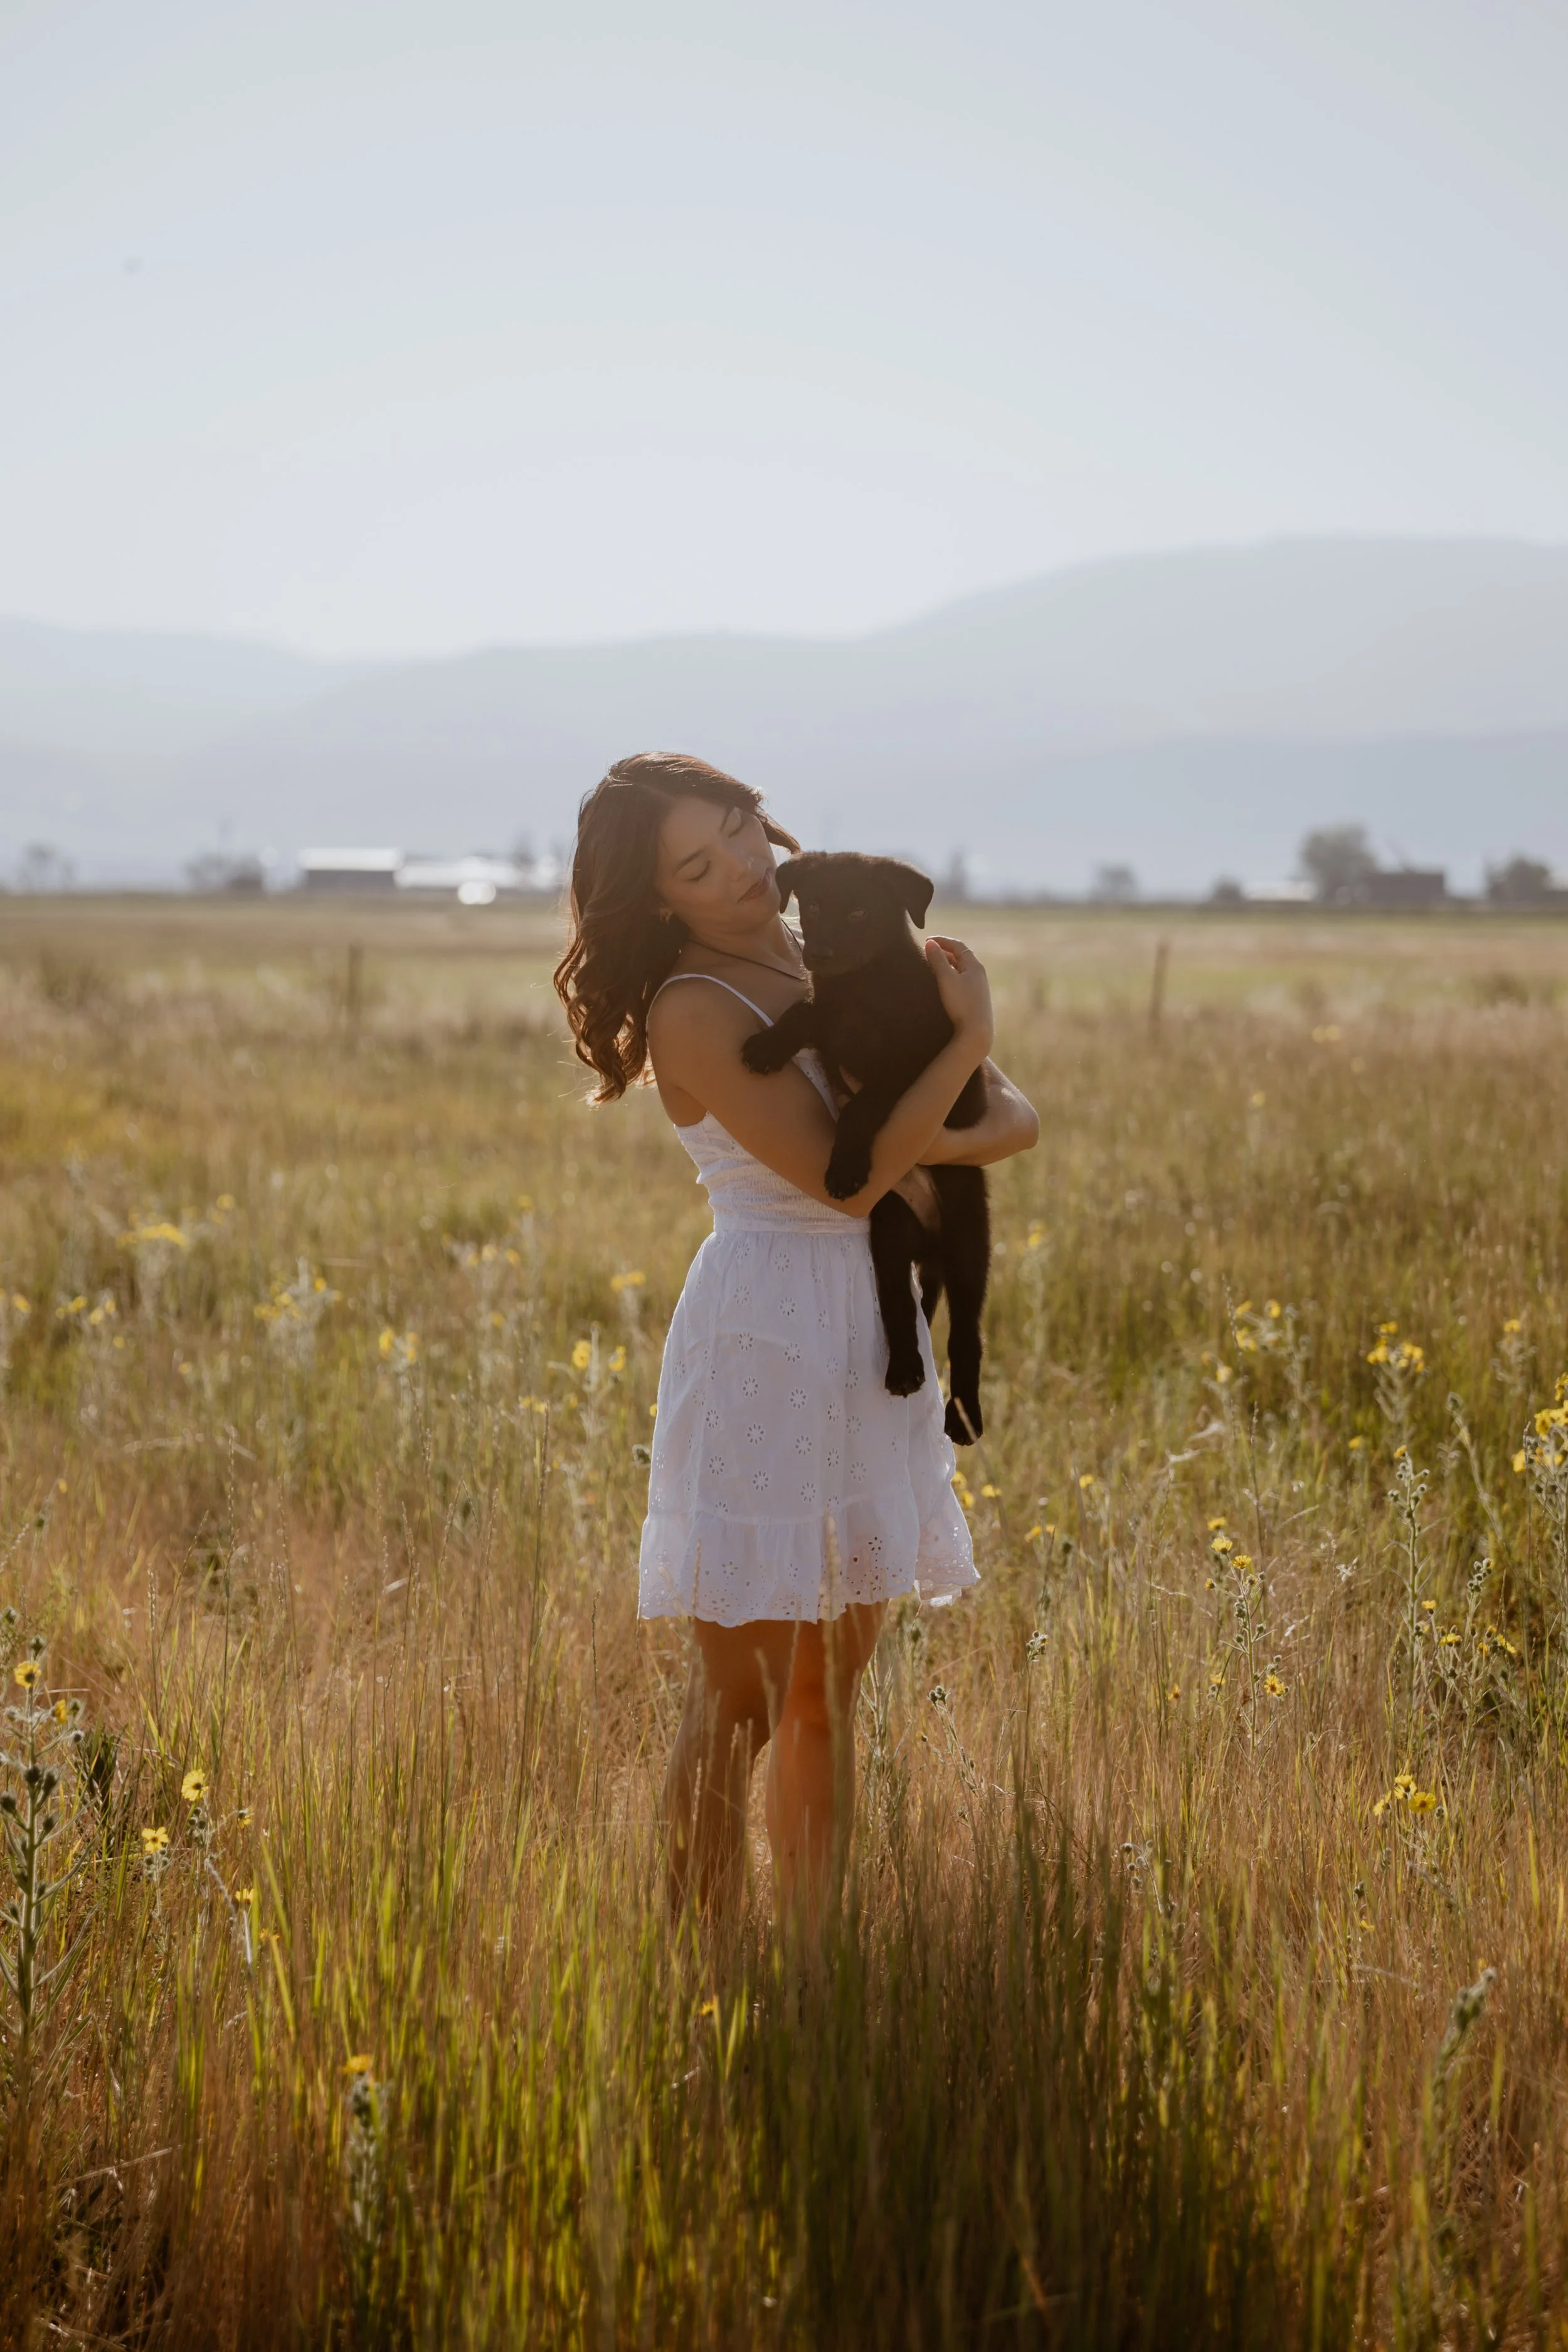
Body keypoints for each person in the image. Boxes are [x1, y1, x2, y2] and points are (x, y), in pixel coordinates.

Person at [554, 753, 1039, 1925]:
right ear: (659, 896)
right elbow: (844, 1180)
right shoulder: (691, 1010)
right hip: (766, 1335)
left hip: (874, 1344)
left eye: (738, 832)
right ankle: (697, 1959)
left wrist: (957, 1076)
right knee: (743, 1697)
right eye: (696, 865)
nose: (739, 872)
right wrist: (965, 1040)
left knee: (828, 1687)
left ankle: (815, 1965)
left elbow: (1016, 1123)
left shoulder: (840, 945)